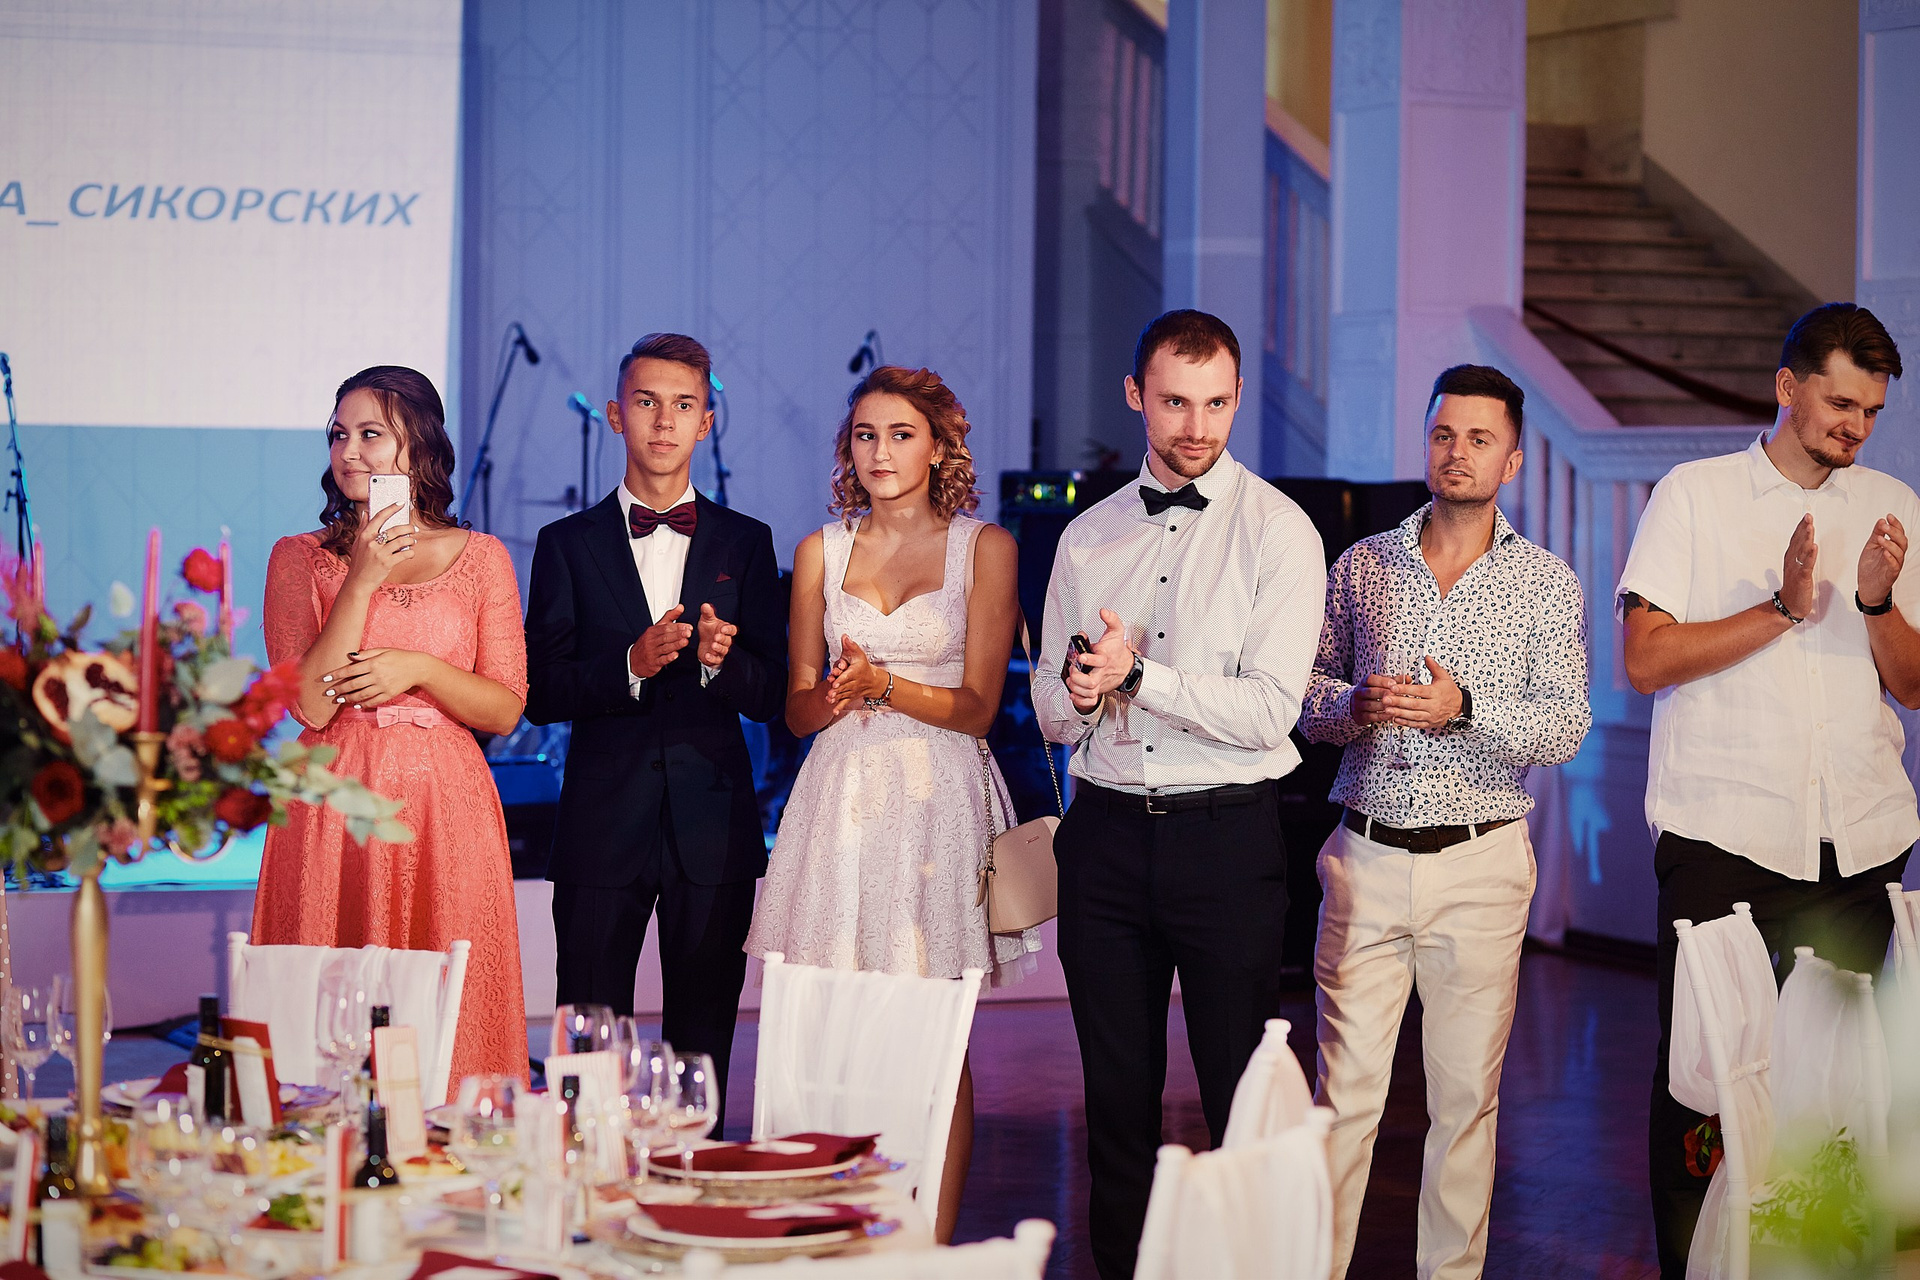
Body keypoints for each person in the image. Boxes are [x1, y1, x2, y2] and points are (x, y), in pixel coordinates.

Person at [1616, 302, 1915, 1276]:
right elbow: (1646, 660)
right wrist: (1782, 609)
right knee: (1705, 1090)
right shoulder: (1695, 495)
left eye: (1870, 410)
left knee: (1843, 1095)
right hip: (1724, 836)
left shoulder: (1893, 504)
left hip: (1859, 838)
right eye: (1840, 403)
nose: (1856, 426)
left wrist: (1873, 601)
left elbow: (1913, 683)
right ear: (1787, 387)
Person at [1031, 309, 1326, 1280]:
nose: (1196, 426)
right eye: (1173, 402)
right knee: (1115, 1103)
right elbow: (1048, 706)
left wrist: (1139, 677)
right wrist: (1081, 691)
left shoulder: (1279, 531)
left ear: (1237, 399)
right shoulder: (1086, 536)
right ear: (1135, 396)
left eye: (1215, 403)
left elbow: (1272, 712)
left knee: (1242, 1096)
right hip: (1106, 840)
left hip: (1225, 841)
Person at [1299, 364, 1591, 1280]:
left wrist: (1465, 709)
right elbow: (1305, 700)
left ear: (1511, 460)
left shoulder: (1546, 585)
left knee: (1466, 1103)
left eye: (1478, 439)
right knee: (1342, 1101)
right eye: (1442, 434)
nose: (1456, 452)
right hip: (1366, 854)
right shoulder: (1363, 564)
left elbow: (1566, 726)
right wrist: (1351, 704)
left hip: (1481, 863)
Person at [745, 364, 1035, 1243]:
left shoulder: (985, 548)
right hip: (838, 796)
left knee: (931, 1035)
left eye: (901, 434)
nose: (880, 452)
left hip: (937, 795)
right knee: (826, 1022)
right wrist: (834, 694)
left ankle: (928, 1245)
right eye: (865, 436)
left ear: (939, 446)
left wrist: (884, 684)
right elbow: (797, 712)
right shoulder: (819, 551)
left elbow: (981, 707)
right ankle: (822, 1234)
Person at [524, 333, 785, 1126]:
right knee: (588, 1034)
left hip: (714, 825)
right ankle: (583, 1179)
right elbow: (540, 692)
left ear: (706, 422)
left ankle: (690, 1178)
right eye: (646, 403)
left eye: (682, 405)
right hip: (601, 823)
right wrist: (629, 665)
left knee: (702, 1041)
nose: (664, 422)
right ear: (615, 415)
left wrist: (719, 664)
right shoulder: (564, 544)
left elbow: (773, 694)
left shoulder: (748, 541)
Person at [255, 365, 529, 1084]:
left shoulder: (483, 558)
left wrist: (421, 668)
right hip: (334, 801)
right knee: (330, 997)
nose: (349, 451)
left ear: (421, 444)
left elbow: (505, 708)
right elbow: (311, 705)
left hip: (446, 803)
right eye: (338, 434)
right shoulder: (299, 557)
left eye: (370, 434)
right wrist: (362, 577)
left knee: (446, 984)